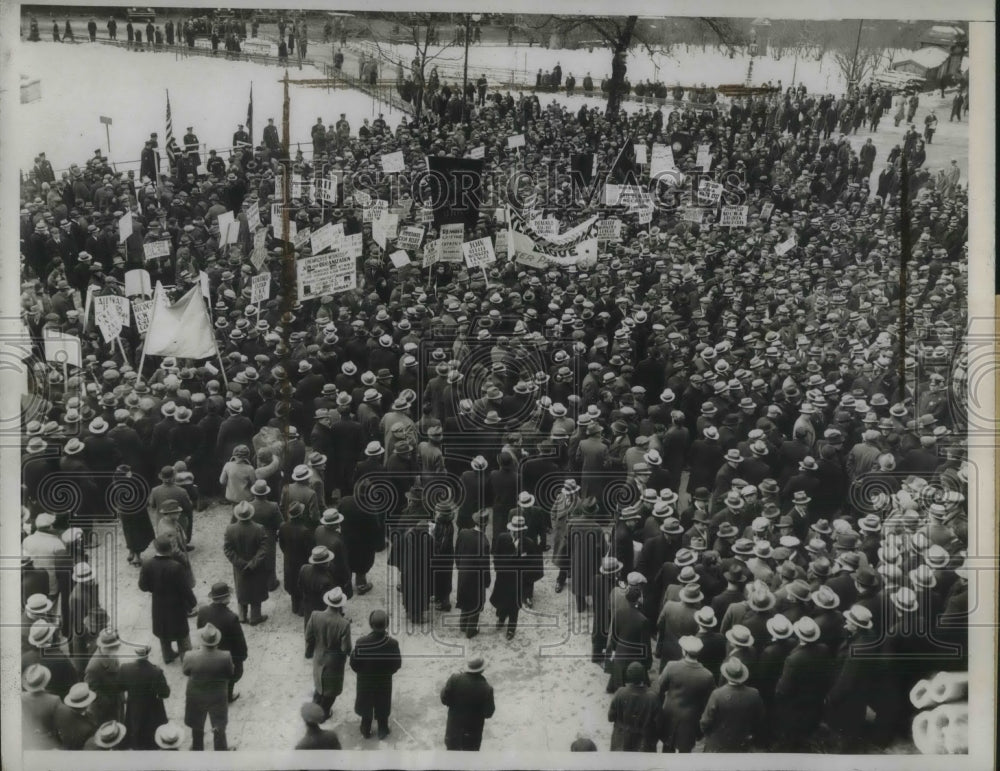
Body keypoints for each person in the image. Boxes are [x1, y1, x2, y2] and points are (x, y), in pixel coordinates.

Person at [138, 535, 196, 664]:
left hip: (158, 604)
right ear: (171, 548)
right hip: (176, 605)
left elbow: (142, 586)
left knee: (163, 632)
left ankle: (168, 655)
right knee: (182, 635)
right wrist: (193, 603)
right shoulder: (176, 567)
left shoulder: (148, 564)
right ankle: (187, 661)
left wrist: (154, 589)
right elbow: (185, 589)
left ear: (156, 548)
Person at [656, 635, 715, 752]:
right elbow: (710, 700)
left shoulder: (671, 666)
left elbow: (660, 687)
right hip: (691, 718)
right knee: (685, 751)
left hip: (670, 713)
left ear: (684, 651)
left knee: (667, 749)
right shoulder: (707, 675)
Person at [349, 609, 402, 739]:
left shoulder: (361, 643)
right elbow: (397, 664)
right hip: (384, 681)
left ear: (371, 624)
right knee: (383, 703)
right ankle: (383, 729)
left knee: (366, 702)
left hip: (365, 681)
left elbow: (353, 663)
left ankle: (365, 728)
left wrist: (362, 673)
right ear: (387, 625)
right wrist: (388, 673)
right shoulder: (392, 644)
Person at [182, 623, 235, 751]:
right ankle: (221, 749)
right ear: (216, 641)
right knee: (219, 724)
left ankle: (197, 746)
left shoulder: (190, 655)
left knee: (197, 722)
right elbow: (230, 674)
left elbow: (185, 672)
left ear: (202, 641)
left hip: (196, 695)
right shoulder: (225, 656)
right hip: (217, 696)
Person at [304, 587, 352, 720]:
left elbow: (308, 637)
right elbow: (346, 648)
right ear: (341, 605)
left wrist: (308, 652)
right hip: (334, 663)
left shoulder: (315, 616)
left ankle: (315, 703)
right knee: (331, 691)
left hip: (319, 656)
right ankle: (323, 713)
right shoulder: (344, 624)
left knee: (319, 682)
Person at [196, 582, 248, 703]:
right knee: (233, 676)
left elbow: (200, 629)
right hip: (226, 657)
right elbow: (238, 641)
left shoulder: (203, 611)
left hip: (208, 652)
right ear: (226, 598)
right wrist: (242, 657)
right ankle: (228, 696)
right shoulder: (231, 618)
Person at [700, 657, 765, 751]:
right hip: (742, 743)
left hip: (718, 744)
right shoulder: (754, 693)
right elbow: (760, 719)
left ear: (726, 675)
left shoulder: (717, 694)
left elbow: (705, 722)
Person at [223, 501, 269, 625]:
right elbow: (263, 549)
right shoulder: (259, 528)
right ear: (251, 514)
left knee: (241, 588)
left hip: (239, 567)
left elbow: (227, 549)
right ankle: (255, 617)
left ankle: (242, 616)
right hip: (256, 567)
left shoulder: (230, 529)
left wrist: (240, 563)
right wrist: (252, 563)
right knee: (256, 589)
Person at [118, 642, 170, 750]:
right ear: (148, 653)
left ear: (135, 653)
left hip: (133, 709)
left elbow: (120, 687)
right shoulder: (156, 672)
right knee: (152, 739)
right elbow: (165, 694)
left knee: (136, 735)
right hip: (153, 711)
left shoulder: (125, 668)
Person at [441, 656, 495, 751]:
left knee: (451, 759)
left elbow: (444, 700)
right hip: (472, 736)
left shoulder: (454, 679)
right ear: (482, 670)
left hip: (453, 733)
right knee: (470, 762)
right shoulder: (487, 688)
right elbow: (488, 713)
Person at [608, 661, 659, 751]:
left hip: (621, 741)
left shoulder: (620, 692)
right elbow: (658, 722)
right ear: (643, 677)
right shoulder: (653, 697)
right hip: (644, 744)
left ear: (628, 676)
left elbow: (610, 717)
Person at [22, 665, 62, 749]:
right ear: (45, 681)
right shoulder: (54, 700)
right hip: (49, 744)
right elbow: (60, 726)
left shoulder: (20, 698)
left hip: (27, 743)